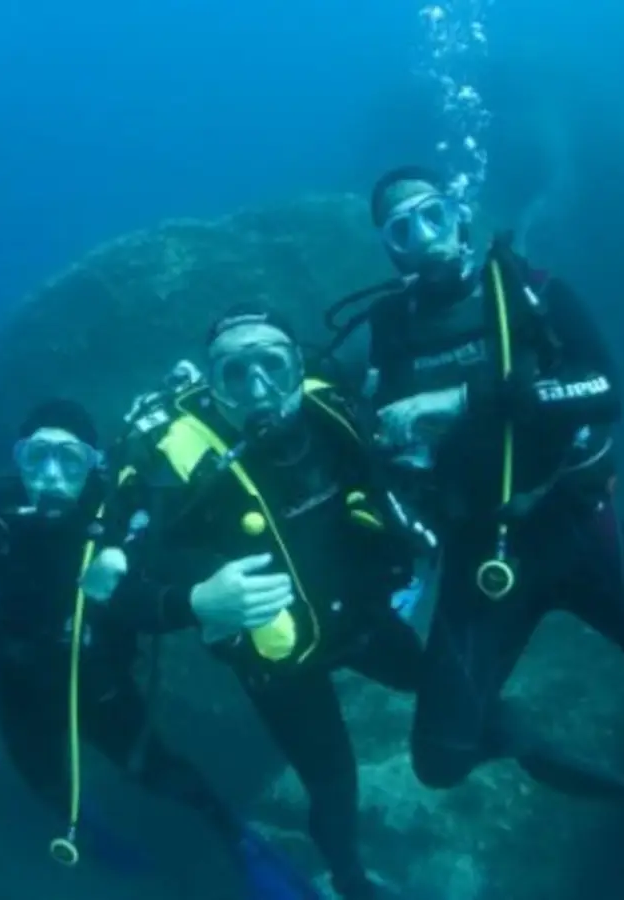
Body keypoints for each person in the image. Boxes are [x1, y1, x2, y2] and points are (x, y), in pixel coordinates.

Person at [322, 163, 624, 809]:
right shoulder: (383, 333)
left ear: (460, 217)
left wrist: (462, 400)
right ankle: (516, 735)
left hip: (576, 519)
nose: (424, 237)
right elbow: (328, 418)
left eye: (434, 215)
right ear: (387, 247)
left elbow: (604, 389)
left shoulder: (530, 292)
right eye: (402, 229)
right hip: (481, 549)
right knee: (440, 758)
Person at [0, 397, 317, 899]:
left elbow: (151, 596)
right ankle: (102, 843)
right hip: (17, 692)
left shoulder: (114, 524)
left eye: (71, 459)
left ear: (94, 465)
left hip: (98, 686)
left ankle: (240, 843)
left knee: (161, 773)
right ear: (18, 463)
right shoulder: (2, 515)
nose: (53, 475)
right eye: (37, 457)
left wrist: (193, 601)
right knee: (45, 785)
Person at [102, 305, 436, 900]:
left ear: (297, 365)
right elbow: (115, 589)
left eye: (273, 367)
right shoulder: (172, 461)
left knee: (444, 686)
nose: (259, 389)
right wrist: (194, 601)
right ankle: (350, 880)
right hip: (280, 663)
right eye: (235, 373)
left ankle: (509, 739)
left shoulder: (332, 409)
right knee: (335, 784)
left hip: (359, 619)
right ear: (213, 384)